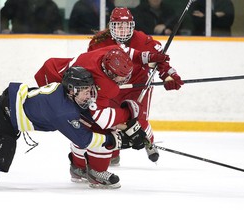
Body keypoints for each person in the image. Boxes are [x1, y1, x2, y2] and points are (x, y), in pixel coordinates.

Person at [0, 67, 148, 189]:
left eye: (90, 89)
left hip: (5, 102)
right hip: (7, 118)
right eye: (84, 90)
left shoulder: (67, 94)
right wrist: (115, 140)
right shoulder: (62, 111)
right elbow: (83, 140)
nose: (89, 94)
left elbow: (91, 116)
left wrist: (129, 128)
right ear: (71, 90)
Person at [34, 43, 172, 178]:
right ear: (110, 73)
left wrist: (147, 56)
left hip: (61, 76)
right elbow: (103, 119)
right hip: (57, 86)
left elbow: (126, 50)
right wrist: (129, 114)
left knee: (86, 124)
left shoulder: (113, 50)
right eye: (121, 76)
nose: (125, 79)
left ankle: (79, 166)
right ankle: (91, 170)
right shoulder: (104, 84)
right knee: (92, 128)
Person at [87, 7, 184, 165]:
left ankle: (148, 140)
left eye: (126, 26)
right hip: (111, 87)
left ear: (132, 26)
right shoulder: (99, 42)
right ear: (111, 26)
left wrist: (168, 75)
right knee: (110, 119)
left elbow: (161, 59)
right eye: (119, 26)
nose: (123, 30)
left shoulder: (143, 40)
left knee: (138, 120)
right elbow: (91, 64)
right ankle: (113, 151)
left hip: (137, 87)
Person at [0, 0, 64, 34]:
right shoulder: (15, 2)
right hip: (19, 41)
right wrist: (4, 29)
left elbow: (58, 26)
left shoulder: (51, 5)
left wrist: (58, 32)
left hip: (44, 43)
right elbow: (2, 16)